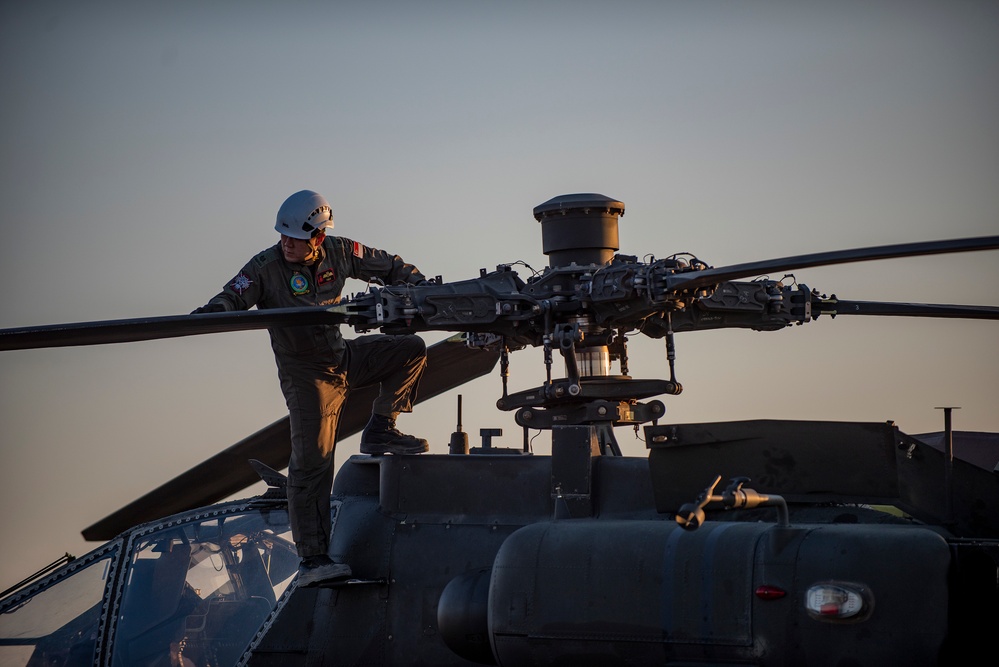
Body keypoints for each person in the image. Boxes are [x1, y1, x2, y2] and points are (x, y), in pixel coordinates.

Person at [193, 189, 430, 586]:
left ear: (318, 237)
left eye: (295, 238)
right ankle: (314, 560)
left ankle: (381, 427)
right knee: (313, 460)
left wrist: (419, 291)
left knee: (411, 348)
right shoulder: (264, 266)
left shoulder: (340, 251)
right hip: (307, 377)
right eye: (282, 235)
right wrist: (206, 317)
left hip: (342, 359)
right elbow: (232, 296)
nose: (286, 243)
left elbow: (390, 266)